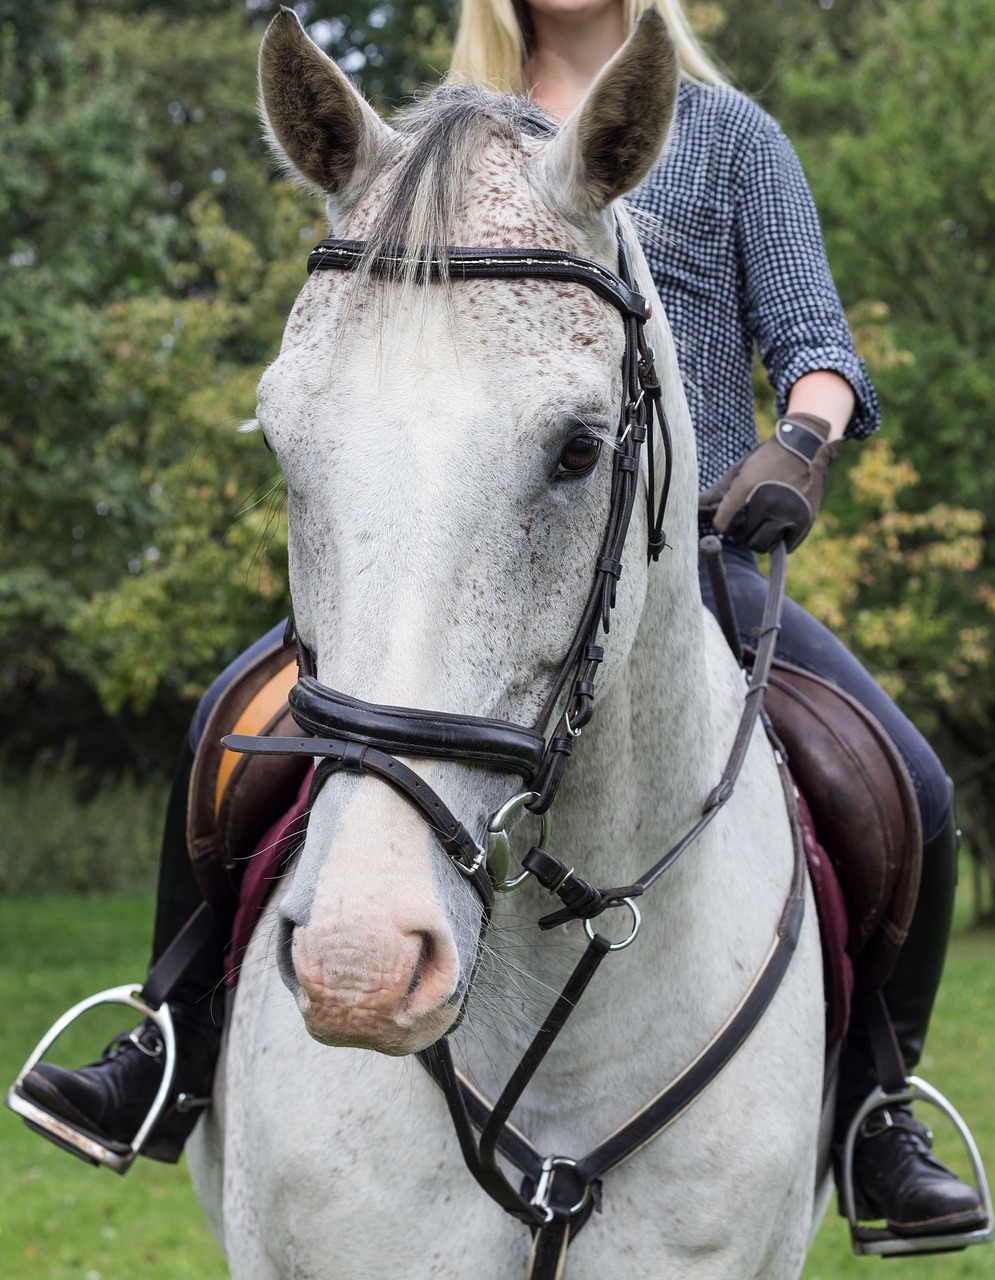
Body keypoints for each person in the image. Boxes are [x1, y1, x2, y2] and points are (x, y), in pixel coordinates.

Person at [16, 0, 984, 1244]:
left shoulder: (729, 135)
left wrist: (797, 441)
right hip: (471, 546)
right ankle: (176, 1035)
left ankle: (872, 1112)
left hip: (691, 543)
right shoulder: (440, 142)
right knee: (228, 731)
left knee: (909, 783)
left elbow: (815, 346)